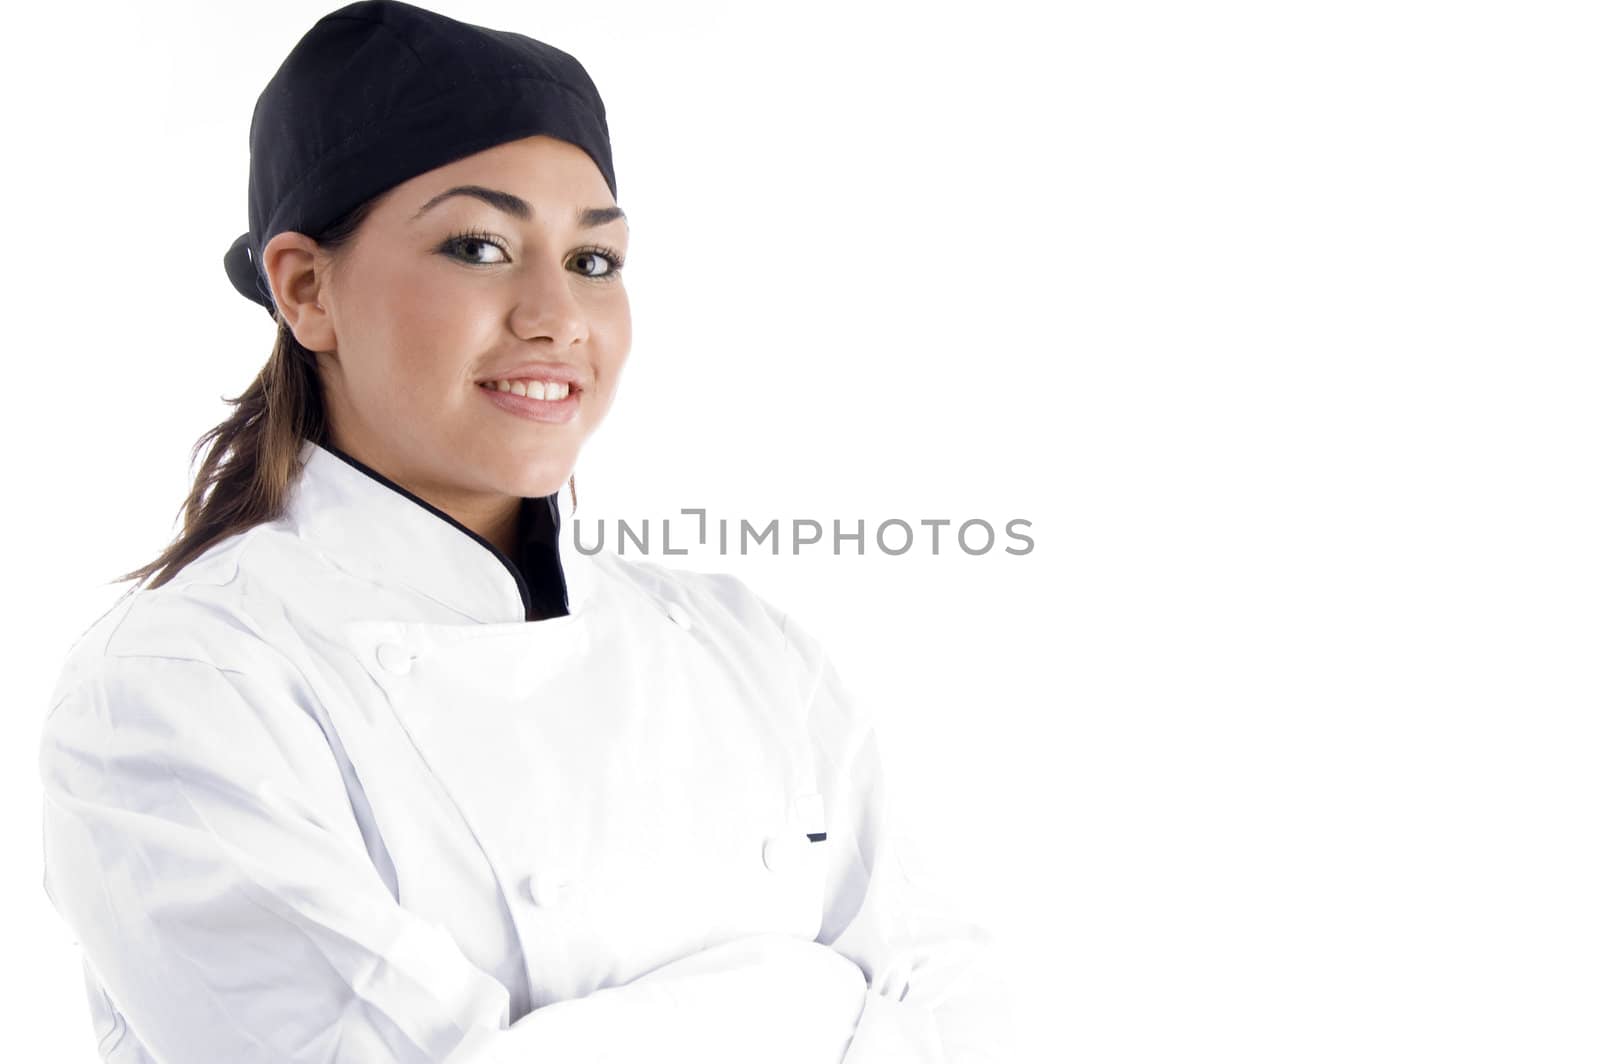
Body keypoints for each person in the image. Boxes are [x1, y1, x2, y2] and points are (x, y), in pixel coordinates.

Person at [36, 2, 1014, 1061]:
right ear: (307, 289)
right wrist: (805, 991)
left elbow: (965, 1003)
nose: (557, 314)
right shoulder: (181, 683)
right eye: (480, 245)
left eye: (595, 261)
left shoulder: (746, 647)